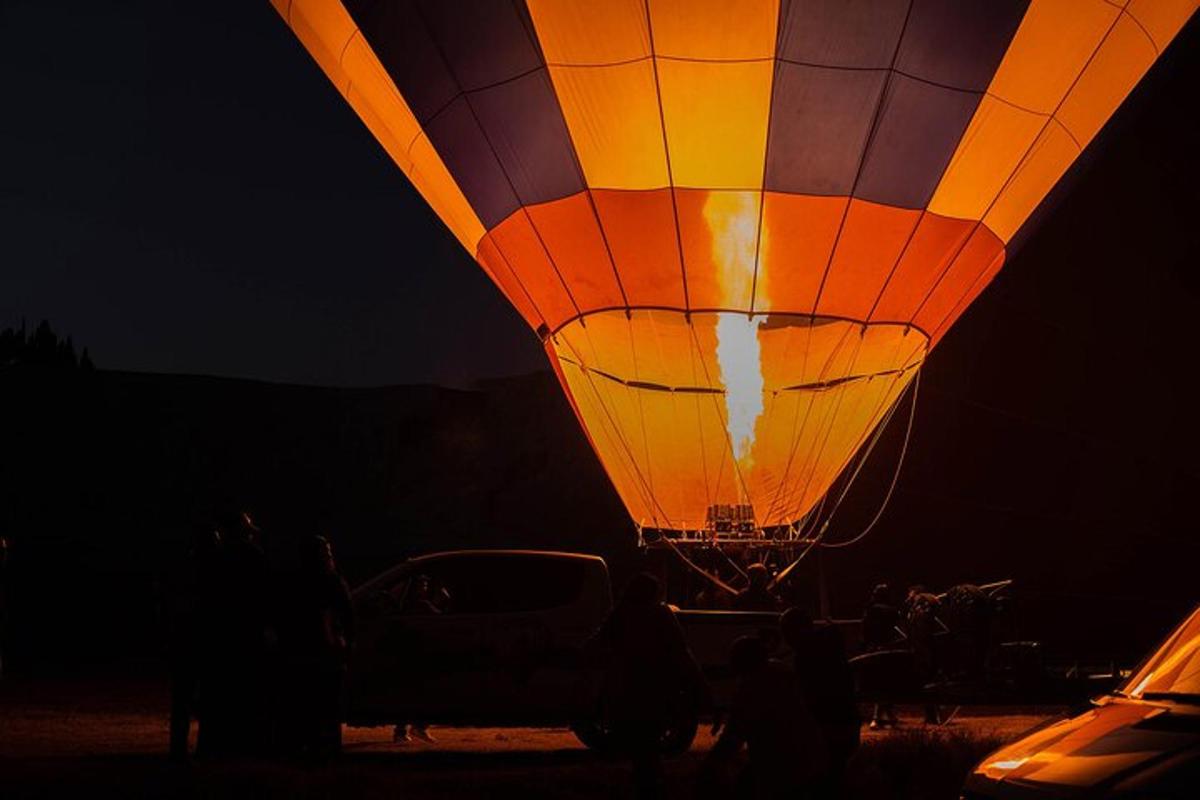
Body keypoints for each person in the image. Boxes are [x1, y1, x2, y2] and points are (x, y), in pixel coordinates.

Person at [588, 572, 705, 799]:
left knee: (637, 746)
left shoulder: (622, 614)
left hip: (627, 688)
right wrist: (699, 682)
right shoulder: (661, 614)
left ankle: (645, 785)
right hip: (654, 689)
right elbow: (681, 650)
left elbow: (598, 642)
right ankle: (651, 786)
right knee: (648, 746)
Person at [700, 635, 826, 799]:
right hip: (813, 757)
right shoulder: (781, 671)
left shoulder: (750, 690)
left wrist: (711, 763)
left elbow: (732, 738)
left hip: (783, 767)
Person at [285, 534, 354, 760]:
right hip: (326, 651)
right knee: (329, 706)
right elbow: (347, 611)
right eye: (326, 550)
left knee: (305, 704)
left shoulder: (293, 580)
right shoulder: (331, 579)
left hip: (301, 652)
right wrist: (347, 641)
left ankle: (305, 748)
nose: (330, 553)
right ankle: (329, 751)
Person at [780, 607, 859, 795]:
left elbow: (809, 697)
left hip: (827, 727)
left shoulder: (806, 656)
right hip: (846, 723)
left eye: (787, 632)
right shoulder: (830, 646)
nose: (786, 639)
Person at [166, 526, 223, 761]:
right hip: (202, 642)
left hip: (184, 642)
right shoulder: (212, 573)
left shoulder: (183, 570)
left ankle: (178, 747)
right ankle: (204, 747)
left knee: (182, 699)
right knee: (206, 698)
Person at [862, 583, 900, 729]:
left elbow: (864, 629)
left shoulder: (871, 610)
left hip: (876, 648)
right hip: (886, 648)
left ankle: (882, 717)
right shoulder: (889, 610)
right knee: (884, 683)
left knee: (881, 683)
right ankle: (881, 717)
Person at [904, 585, 943, 725]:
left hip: (923, 650)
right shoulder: (929, 603)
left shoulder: (920, 605)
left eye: (910, 593)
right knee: (929, 682)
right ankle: (933, 714)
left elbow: (918, 628)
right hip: (928, 648)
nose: (908, 596)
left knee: (926, 682)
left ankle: (933, 715)